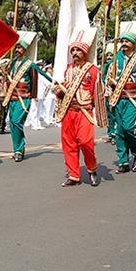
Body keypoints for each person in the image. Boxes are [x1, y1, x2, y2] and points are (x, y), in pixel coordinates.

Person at [103, 21, 136, 173]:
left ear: (133, 43)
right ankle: (123, 161)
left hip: (134, 99)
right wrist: (109, 84)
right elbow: (106, 75)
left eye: (127, 41)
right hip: (118, 98)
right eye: (122, 41)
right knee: (119, 131)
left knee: (129, 129)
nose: (124, 44)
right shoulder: (115, 58)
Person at [54, 28, 104, 187]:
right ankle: (73, 175)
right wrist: (59, 92)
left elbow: (98, 93)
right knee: (68, 143)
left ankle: (91, 169)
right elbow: (63, 90)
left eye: (78, 50)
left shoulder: (93, 70)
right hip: (69, 111)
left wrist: (100, 114)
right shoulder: (68, 69)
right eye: (73, 50)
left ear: (85, 51)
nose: (75, 52)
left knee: (85, 142)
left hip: (84, 112)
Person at [3, 32, 52, 162]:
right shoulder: (13, 62)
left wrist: (54, 82)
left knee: (17, 121)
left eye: (20, 48)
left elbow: (42, 74)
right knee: (13, 123)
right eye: (16, 48)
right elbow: (7, 75)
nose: (17, 50)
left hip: (23, 98)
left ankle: (19, 148)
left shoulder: (29, 64)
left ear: (25, 50)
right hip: (12, 97)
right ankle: (17, 149)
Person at [104, 42, 117, 144]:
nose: (108, 57)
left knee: (114, 115)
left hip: (114, 93)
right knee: (108, 115)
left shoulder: (115, 65)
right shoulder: (105, 66)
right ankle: (110, 132)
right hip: (106, 93)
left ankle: (115, 134)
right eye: (107, 55)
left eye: (111, 55)